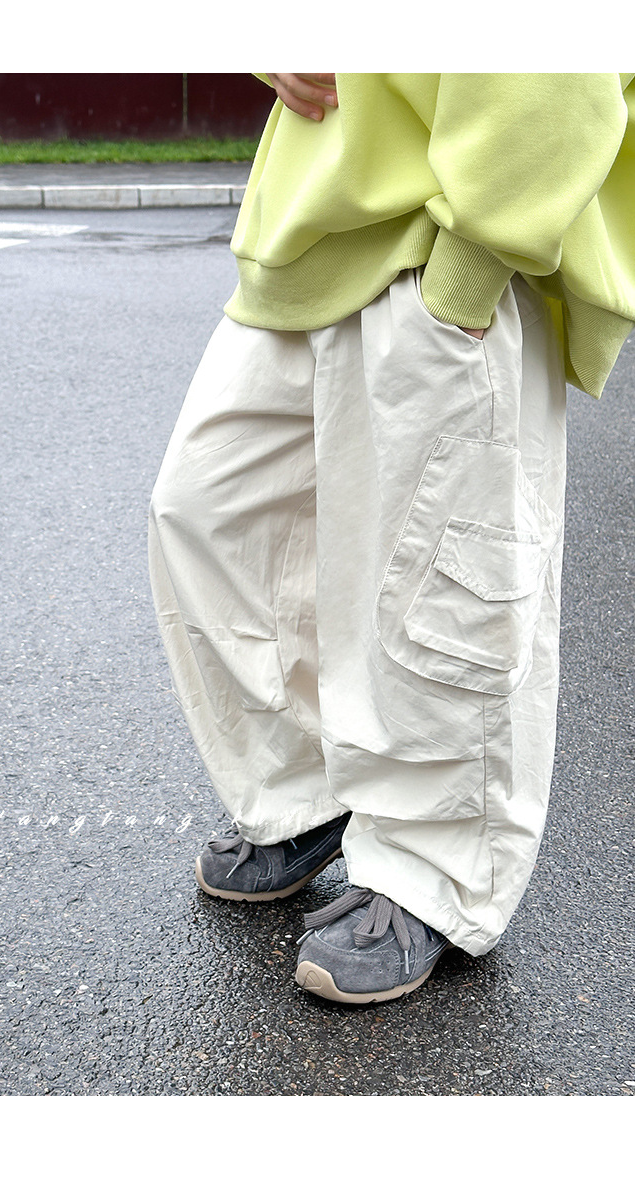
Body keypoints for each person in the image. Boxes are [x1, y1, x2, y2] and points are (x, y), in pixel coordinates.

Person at [148, 73, 635, 1005]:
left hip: (454, 232)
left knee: (442, 584)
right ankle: (302, 795)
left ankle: (432, 871)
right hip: (317, 215)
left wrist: (476, 259)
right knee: (209, 510)